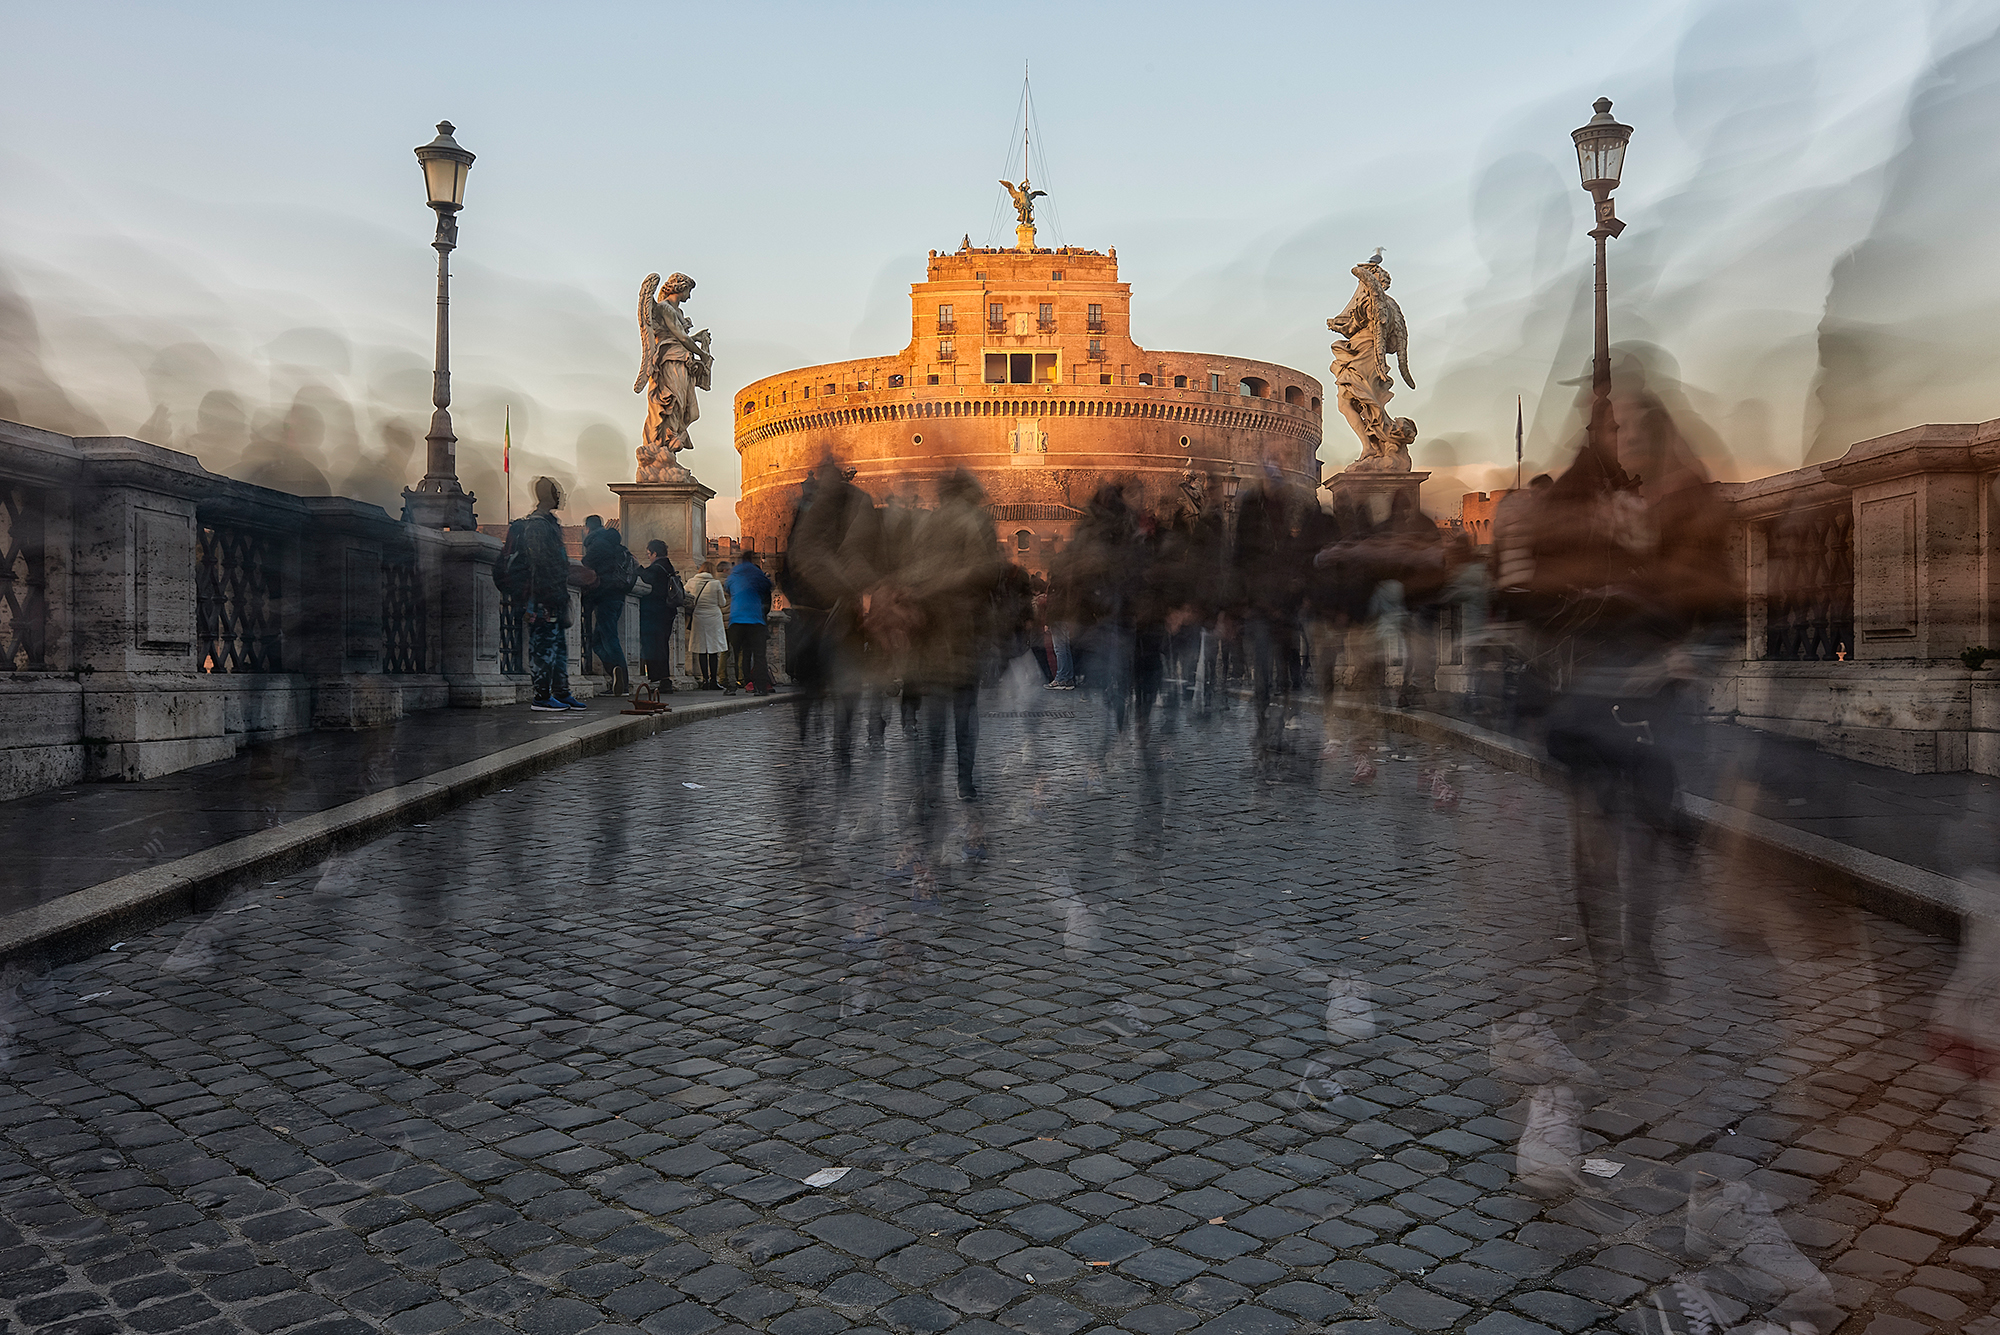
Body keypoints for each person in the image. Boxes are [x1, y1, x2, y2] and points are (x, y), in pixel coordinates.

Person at [495, 476, 584, 711]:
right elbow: (538, 563)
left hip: (553, 594)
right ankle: (542, 697)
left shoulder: (549, 523)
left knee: (558, 647)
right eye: (557, 492)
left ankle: (562, 693)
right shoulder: (537, 525)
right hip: (541, 596)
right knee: (543, 647)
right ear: (547, 496)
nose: (561, 496)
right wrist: (543, 596)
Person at [580, 515, 635, 695]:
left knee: (609, 640)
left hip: (605, 596)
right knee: (598, 641)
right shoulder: (618, 546)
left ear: (588, 528)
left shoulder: (598, 545)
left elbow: (585, 566)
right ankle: (616, 677)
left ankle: (622, 682)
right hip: (618, 596)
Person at [725, 551, 775, 695]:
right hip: (755, 620)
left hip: (736, 619)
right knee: (759, 656)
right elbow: (768, 587)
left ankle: (731, 686)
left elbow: (727, 588)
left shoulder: (733, 575)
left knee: (733, 654)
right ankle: (760, 687)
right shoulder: (758, 575)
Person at [637, 539, 683, 689]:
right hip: (668, 611)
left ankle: (659, 678)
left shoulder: (657, 567)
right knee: (662, 645)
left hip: (655, 612)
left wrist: (637, 567)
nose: (648, 557)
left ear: (655, 553)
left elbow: (646, 577)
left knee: (654, 645)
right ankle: (664, 678)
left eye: (649, 554)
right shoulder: (668, 566)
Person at [686, 560, 730, 688]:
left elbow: (685, 596)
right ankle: (713, 681)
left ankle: (704, 680)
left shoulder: (691, 582)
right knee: (713, 650)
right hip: (713, 619)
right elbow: (722, 602)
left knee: (701, 650)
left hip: (698, 617)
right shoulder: (715, 583)